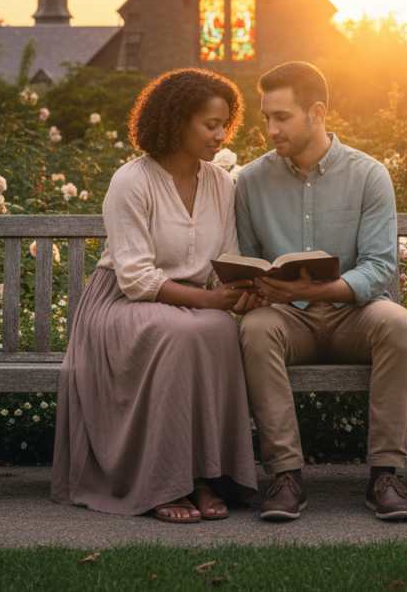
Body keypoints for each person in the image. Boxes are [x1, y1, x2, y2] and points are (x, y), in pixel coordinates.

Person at [51, 68, 262, 523]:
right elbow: (135, 278)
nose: (221, 135)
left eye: (225, 123)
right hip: (123, 305)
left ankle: (204, 478)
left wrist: (241, 290)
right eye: (210, 124)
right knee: (181, 331)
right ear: (176, 122)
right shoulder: (132, 181)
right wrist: (208, 301)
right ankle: (163, 483)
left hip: (190, 305)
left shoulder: (221, 184)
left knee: (221, 329)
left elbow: (225, 259)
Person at [235, 61, 407, 521]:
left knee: (398, 323)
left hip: (352, 316)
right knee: (255, 329)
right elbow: (245, 259)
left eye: (282, 117)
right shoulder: (250, 181)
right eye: (266, 118)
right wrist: (253, 285)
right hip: (285, 320)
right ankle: (285, 477)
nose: (271, 129)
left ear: (316, 113)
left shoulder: (369, 175)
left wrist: (316, 292)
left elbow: (380, 267)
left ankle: (386, 474)